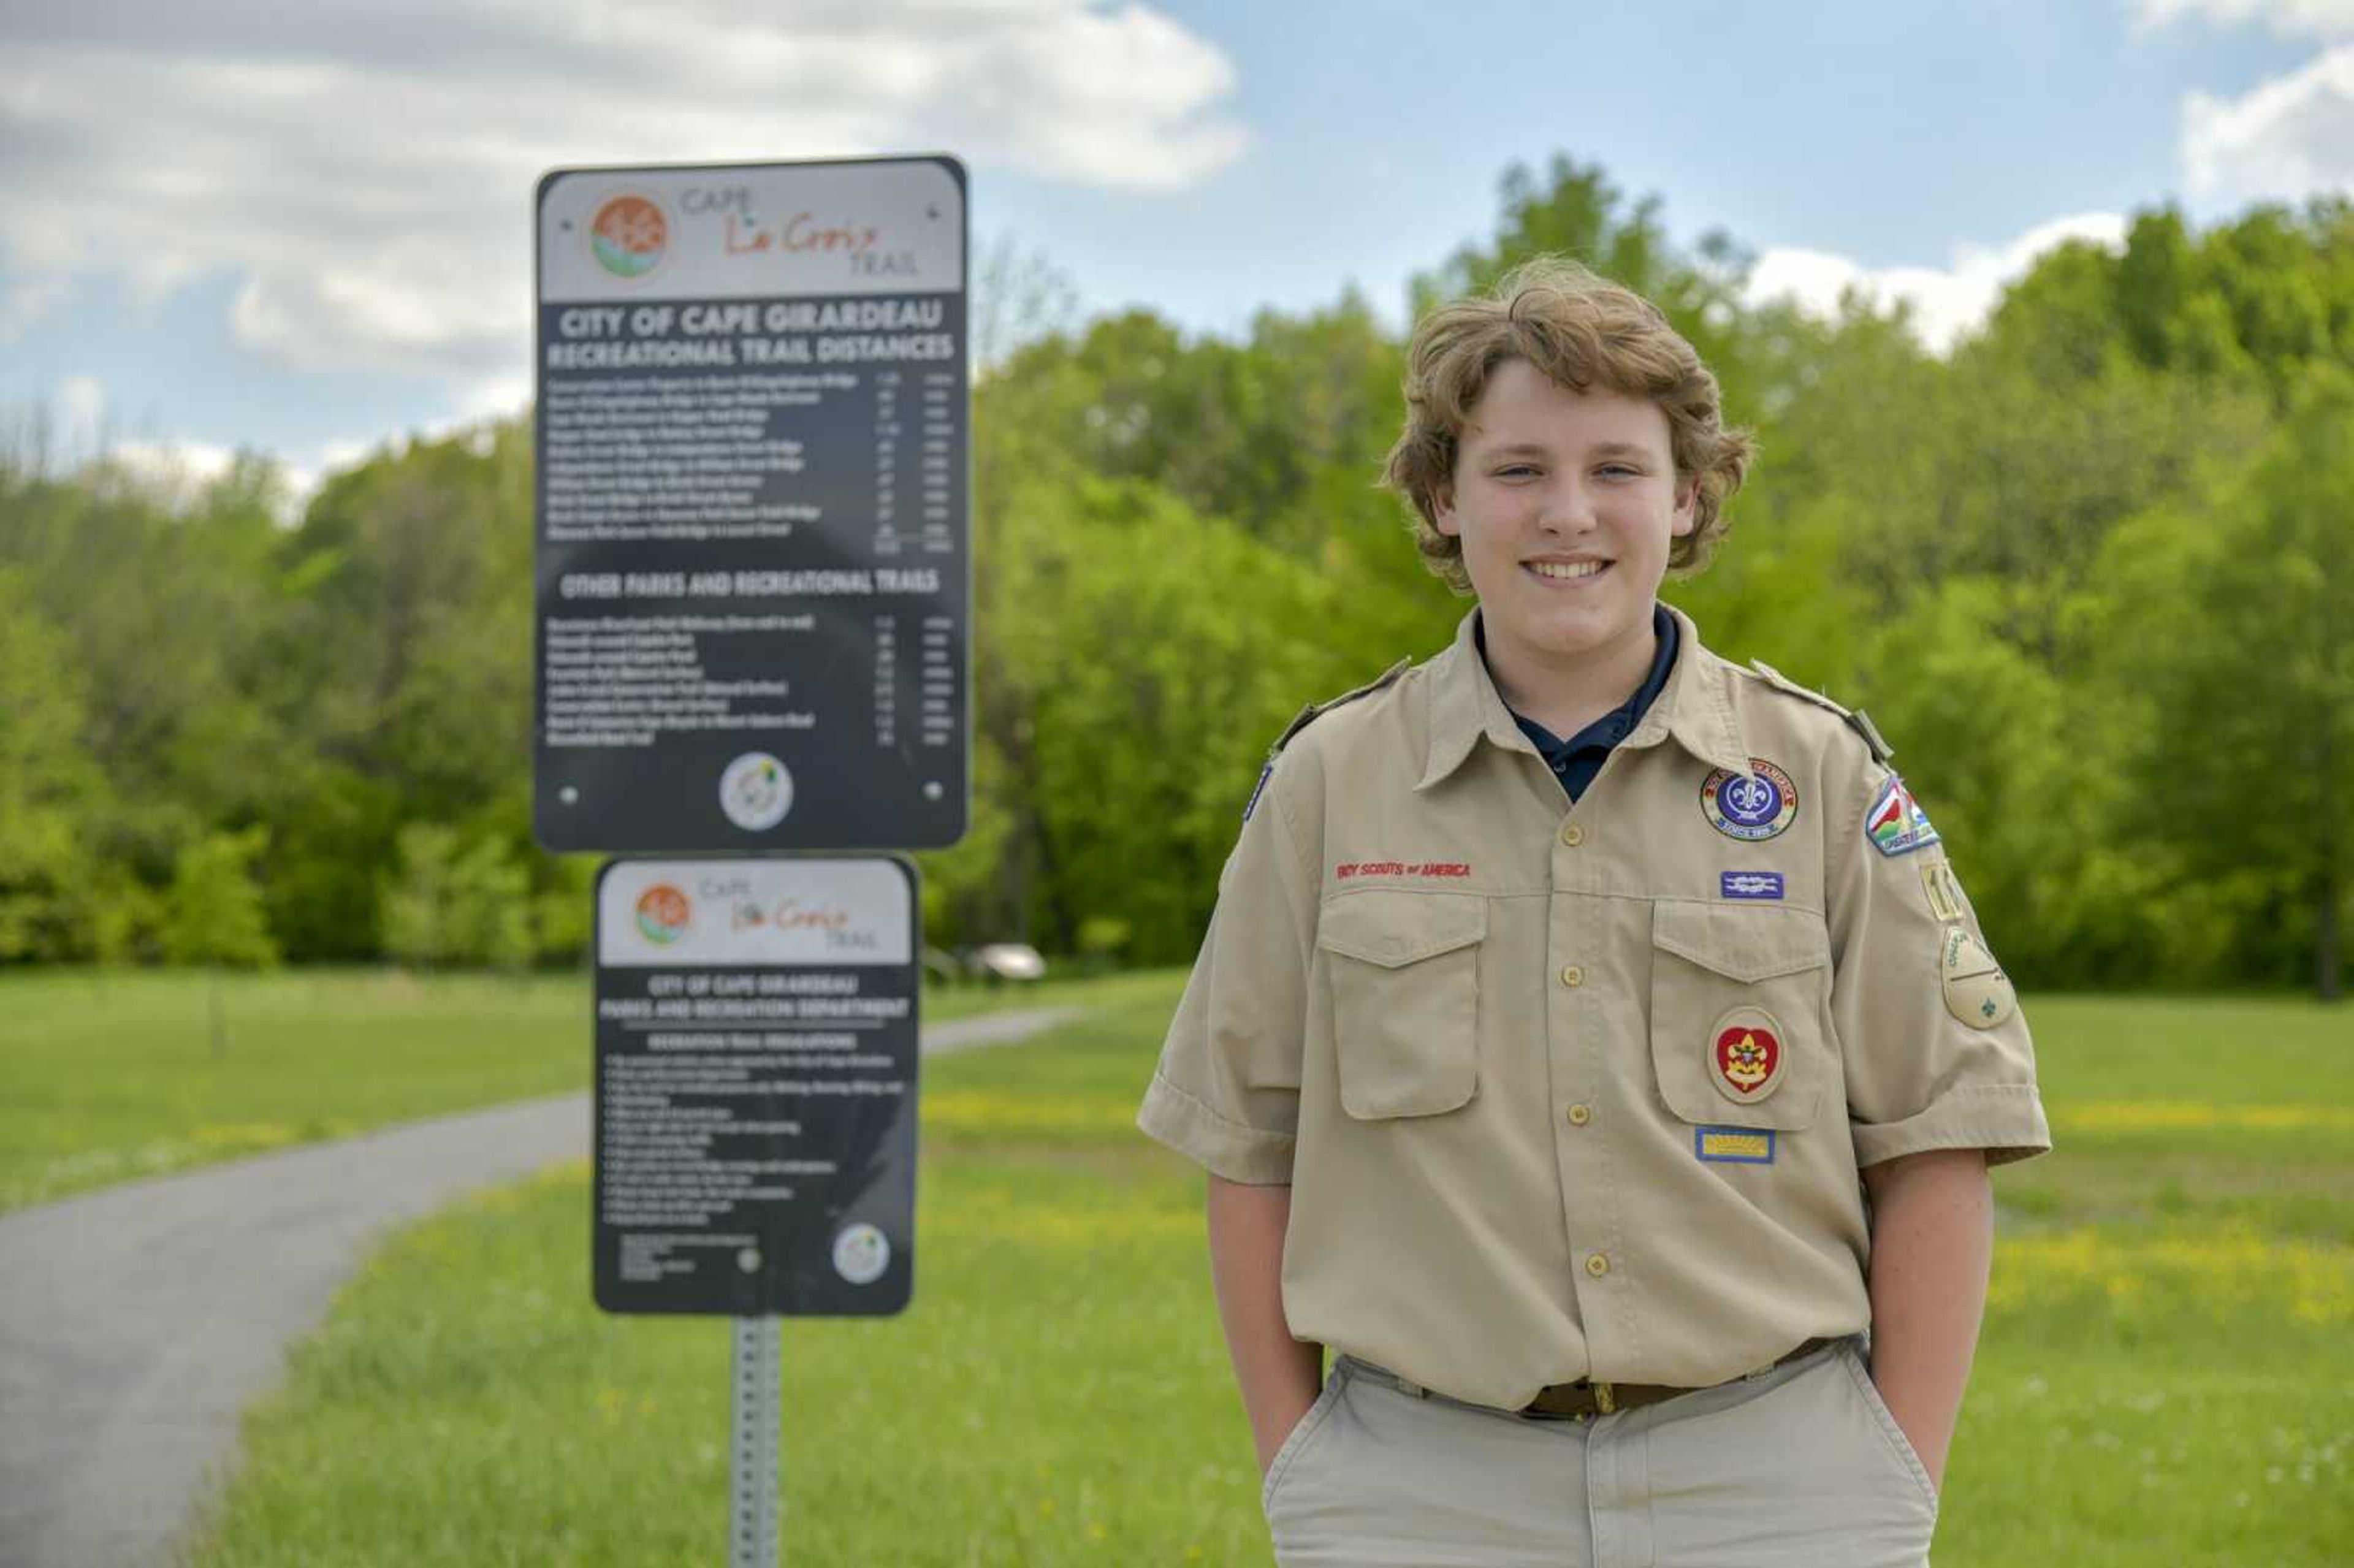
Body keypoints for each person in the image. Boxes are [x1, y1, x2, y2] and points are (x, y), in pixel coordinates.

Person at [1136, 257, 2049, 1567]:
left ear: (1687, 498)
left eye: (1617, 468)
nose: (1569, 512)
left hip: (1778, 1482)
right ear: (1445, 498)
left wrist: (1892, 1474)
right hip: (1418, 1488)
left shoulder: (1819, 776)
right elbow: (1247, 1147)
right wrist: (1309, 1473)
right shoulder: (1332, 785)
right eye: (1518, 470)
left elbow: (1940, 1138)